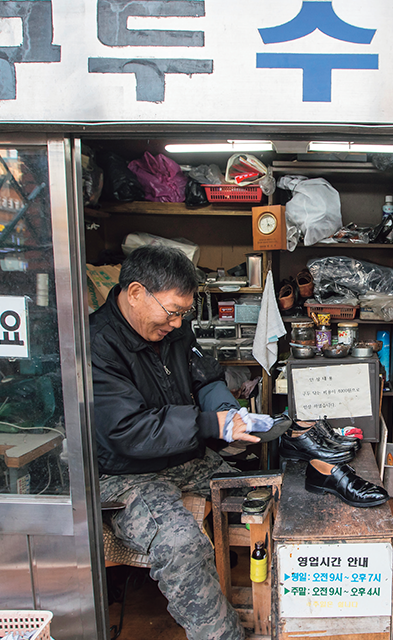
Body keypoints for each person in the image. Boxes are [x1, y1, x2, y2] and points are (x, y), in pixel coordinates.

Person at [90, 245, 259, 640]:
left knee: (266, 489)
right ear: (135, 293)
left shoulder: (174, 327)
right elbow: (127, 431)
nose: (178, 322)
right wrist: (208, 424)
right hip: (125, 474)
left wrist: (227, 413)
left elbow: (205, 376)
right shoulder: (97, 345)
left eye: (184, 313)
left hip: (183, 455)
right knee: (180, 544)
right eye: (172, 311)